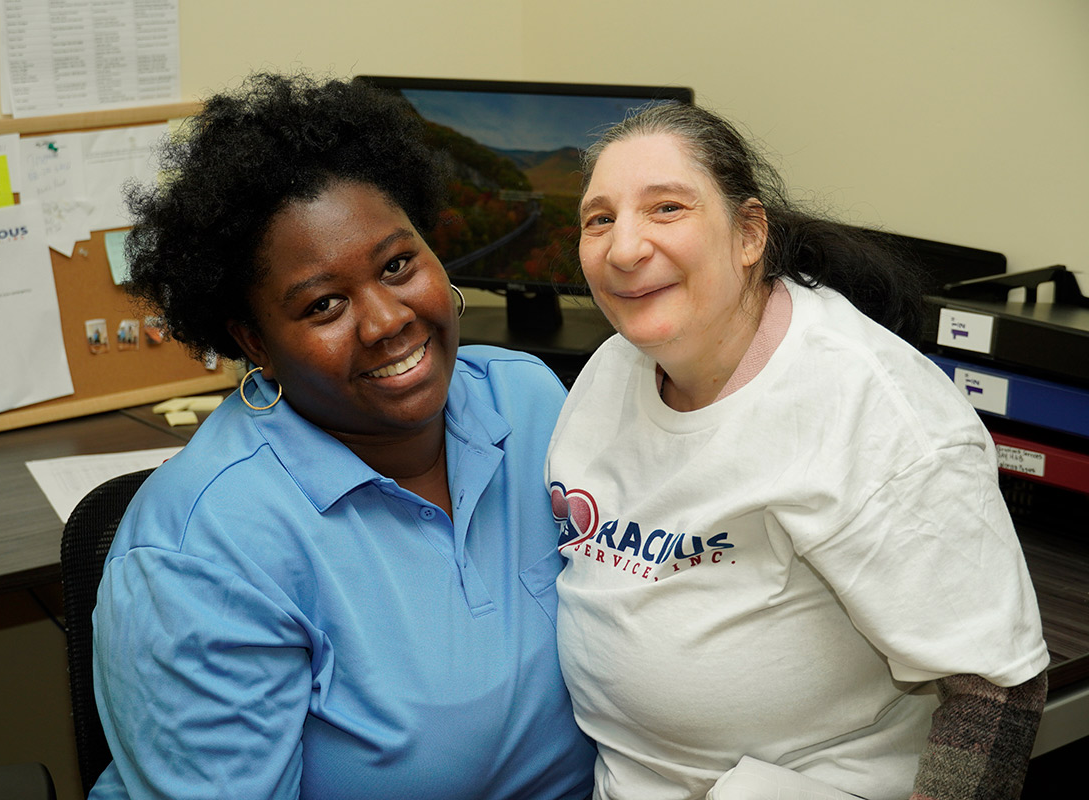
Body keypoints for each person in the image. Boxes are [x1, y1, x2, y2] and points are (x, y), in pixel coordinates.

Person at [90, 73, 595, 800]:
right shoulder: (202, 555)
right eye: (324, 304)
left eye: (398, 265)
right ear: (253, 342)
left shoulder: (528, 399)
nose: (387, 319)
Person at [545, 101, 1049, 800]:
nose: (624, 248)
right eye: (599, 219)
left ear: (749, 233)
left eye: (666, 209)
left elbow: (996, 690)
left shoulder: (871, 408)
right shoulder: (608, 371)